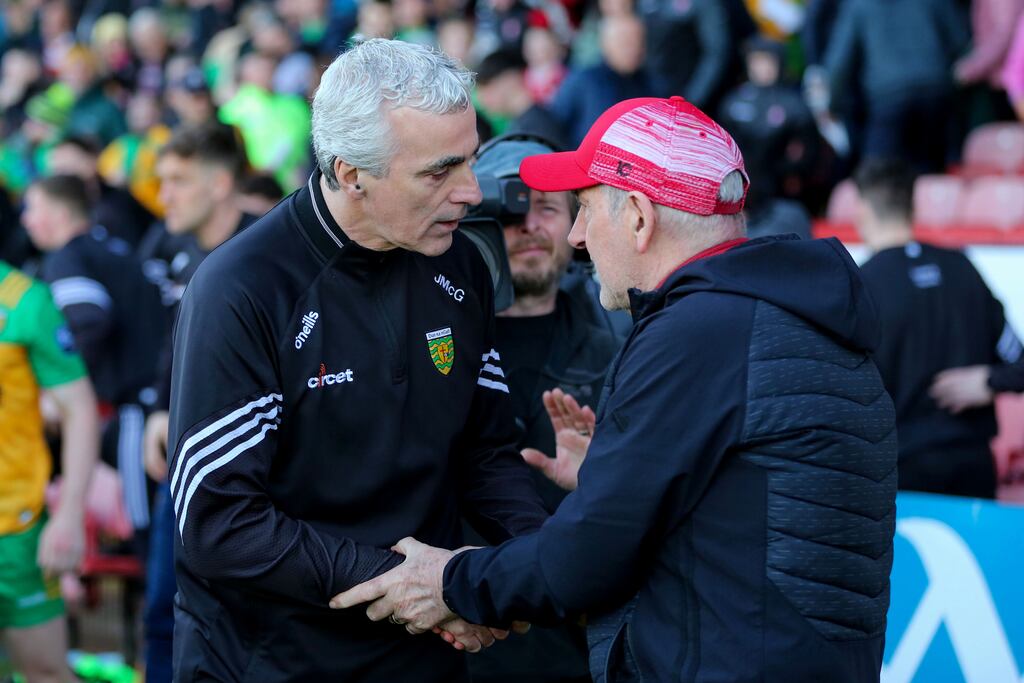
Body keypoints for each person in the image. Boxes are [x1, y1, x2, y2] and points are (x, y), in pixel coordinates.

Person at [334, 95, 899, 683]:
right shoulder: (781, 317)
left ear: (637, 216)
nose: (576, 235)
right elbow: (751, 516)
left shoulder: (700, 330)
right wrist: (616, 478)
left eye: (582, 207)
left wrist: (449, 582)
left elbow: (585, 560)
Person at [166, 39, 548, 682]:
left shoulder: (459, 263)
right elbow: (220, 524)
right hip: (271, 660)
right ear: (351, 174)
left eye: (472, 161)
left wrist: (538, 562)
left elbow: (484, 450)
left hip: (423, 652)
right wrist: (412, 587)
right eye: (440, 171)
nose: (471, 193)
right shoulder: (244, 287)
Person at [463, 135, 625, 683]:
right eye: (510, 207)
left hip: (575, 651)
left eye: (548, 207)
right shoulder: (433, 337)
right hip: (452, 640)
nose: (530, 224)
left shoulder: (628, 344)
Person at [138, 120, 256, 683]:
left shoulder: (266, 249)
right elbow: (172, 339)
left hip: (257, 469)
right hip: (184, 459)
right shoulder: (177, 252)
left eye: (178, 180)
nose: (164, 196)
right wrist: (160, 409)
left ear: (219, 184)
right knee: (164, 611)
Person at [853, 159, 1021, 498]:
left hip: (899, 476)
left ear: (862, 210)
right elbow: (1019, 363)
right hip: (973, 466)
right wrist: (990, 380)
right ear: (912, 206)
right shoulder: (961, 267)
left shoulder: (860, 284)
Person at [21, 174, 166, 549]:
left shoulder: (68, 256)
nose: (26, 220)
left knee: (146, 529)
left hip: (139, 405)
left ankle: (153, 607)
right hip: (159, 395)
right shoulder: (112, 247)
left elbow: (88, 318)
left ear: (56, 213)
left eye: (32, 209)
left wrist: (62, 388)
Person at [0, 259, 100, 683]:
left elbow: (79, 408)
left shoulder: (23, 299)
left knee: (45, 672)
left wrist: (69, 514)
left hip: (15, 530)